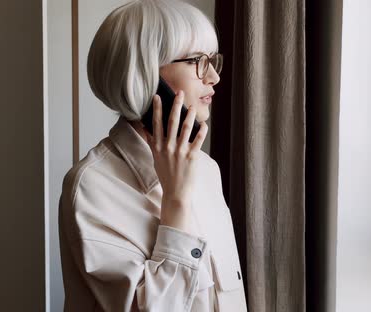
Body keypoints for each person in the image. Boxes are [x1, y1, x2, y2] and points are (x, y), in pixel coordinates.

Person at [58, 0, 247, 311]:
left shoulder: (205, 168)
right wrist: (175, 199)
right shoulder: (91, 187)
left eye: (213, 60)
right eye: (197, 61)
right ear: (145, 73)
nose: (213, 76)